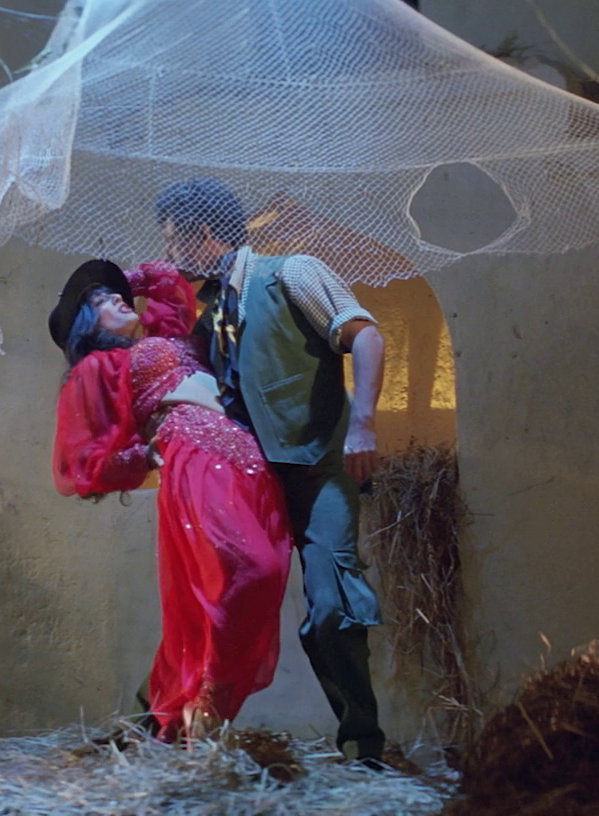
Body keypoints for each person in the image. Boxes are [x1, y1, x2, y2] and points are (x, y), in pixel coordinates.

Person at [154, 177, 390, 765]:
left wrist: (363, 424)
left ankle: (363, 747)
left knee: (332, 610)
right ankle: (159, 726)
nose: (172, 254)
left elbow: (367, 338)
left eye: (174, 239)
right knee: (208, 604)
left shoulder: (292, 273)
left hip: (318, 473)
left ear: (202, 233)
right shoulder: (211, 316)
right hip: (253, 481)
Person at [50, 258, 293, 740]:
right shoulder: (100, 366)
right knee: (252, 568)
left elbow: (165, 280)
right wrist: (146, 454)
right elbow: (82, 463)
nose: (115, 300)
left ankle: (182, 714)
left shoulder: (165, 335)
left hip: (248, 456)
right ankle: (208, 703)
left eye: (113, 296)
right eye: (99, 302)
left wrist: (120, 285)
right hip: (194, 456)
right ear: (87, 325)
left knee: (256, 580)